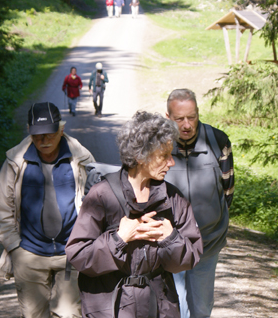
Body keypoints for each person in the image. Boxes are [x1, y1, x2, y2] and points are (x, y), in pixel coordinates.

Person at [65, 111, 203, 318]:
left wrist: (170, 238)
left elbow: (190, 257)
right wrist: (119, 239)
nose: (171, 162)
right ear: (140, 156)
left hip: (158, 306)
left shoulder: (173, 198)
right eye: (164, 156)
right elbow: (79, 256)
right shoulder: (102, 195)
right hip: (110, 307)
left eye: (171, 155)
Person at [0, 102, 95, 318]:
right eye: (38, 134)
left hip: (71, 253)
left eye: (49, 133)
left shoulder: (81, 159)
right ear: (29, 131)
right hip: (29, 254)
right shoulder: (16, 161)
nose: (44, 140)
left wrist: (86, 243)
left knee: (69, 314)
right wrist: (14, 248)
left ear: (61, 129)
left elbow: (97, 205)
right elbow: (1, 208)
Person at [164, 89, 235, 318]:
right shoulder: (158, 146)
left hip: (208, 242)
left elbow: (228, 190)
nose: (186, 125)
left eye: (192, 117)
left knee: (201, 309)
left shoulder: (218, 141)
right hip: (169, 245)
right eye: (179, 119)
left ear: (198, 113)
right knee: (173, 309)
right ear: (168, 118)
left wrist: (212, 221)